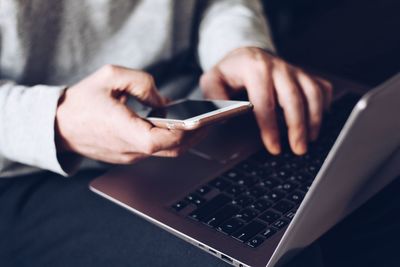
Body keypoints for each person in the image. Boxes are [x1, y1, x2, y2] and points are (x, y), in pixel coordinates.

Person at [0, 0, 333, 266]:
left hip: (193, 110)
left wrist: (236, 44)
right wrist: (53, 121)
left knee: (352, 184)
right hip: (25, 167)